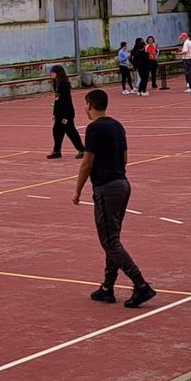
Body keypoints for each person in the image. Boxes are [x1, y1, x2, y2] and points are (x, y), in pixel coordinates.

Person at [71, 89, 157, 309]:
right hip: (122, 184)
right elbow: (125, 158)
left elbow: (87, 162)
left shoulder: (93, 128)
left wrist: (78, 190)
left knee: (109, 241)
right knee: (112, 238)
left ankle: (140, 284)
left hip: (106, 188)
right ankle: (107, 288)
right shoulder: (117, 126)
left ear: (90, 105)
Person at [47, 65, 85, 160]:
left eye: (53, 72)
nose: (51, 74)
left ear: (58, 73)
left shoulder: (64, 85)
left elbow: (66, 101)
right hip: (59, 112)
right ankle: (57, 151)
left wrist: (65, 116)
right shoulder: (56, 84)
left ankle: (82, 150)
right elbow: (57, 100)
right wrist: (54, 113)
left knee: (71, 131)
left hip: (66, 113)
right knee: (57, 131)